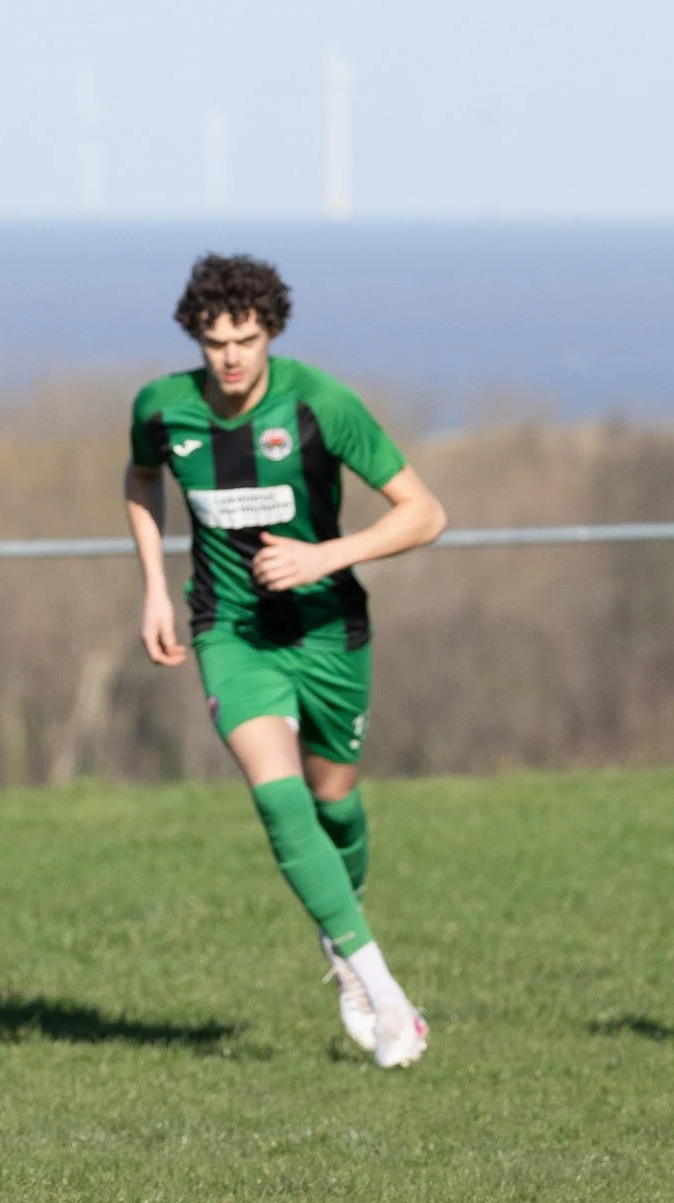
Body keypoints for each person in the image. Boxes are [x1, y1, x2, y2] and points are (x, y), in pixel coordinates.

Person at [124, 254, 448, 1067]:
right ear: (195, 336)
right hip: (230, 633)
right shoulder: (163, 409)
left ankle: (343, 930)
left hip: (328, 632)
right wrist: (156, 588)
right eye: (215, 341)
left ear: (271, 333)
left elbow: (426, 513)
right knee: (278, 800)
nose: (231, 358)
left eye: (247, 339)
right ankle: (383, 990)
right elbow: (139, 477)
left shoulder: (320, 403)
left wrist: (324, 557)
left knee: (333, 803)